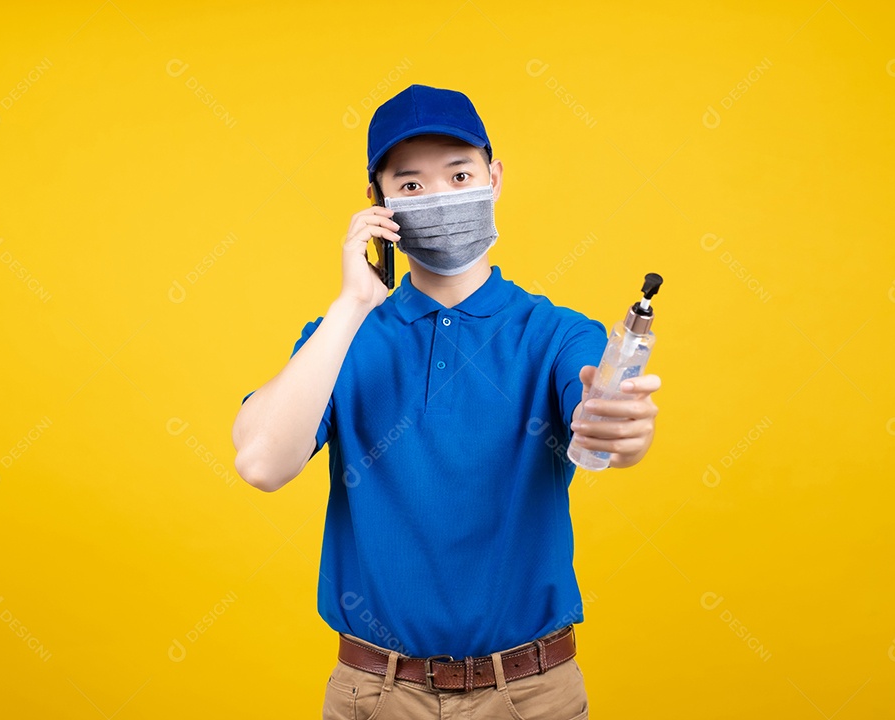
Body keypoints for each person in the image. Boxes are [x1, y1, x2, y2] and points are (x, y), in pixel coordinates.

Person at [231, 83, 661, 720]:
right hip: (374, 694)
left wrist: (618, 427)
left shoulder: (559, 334)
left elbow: (597, 413)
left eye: (459, 174)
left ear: (494, 177)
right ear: (376, 204)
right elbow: (262, 463)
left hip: (531, 694)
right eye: (411, 186)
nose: (439, 198)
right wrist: (350, 304)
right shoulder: (342, 340)